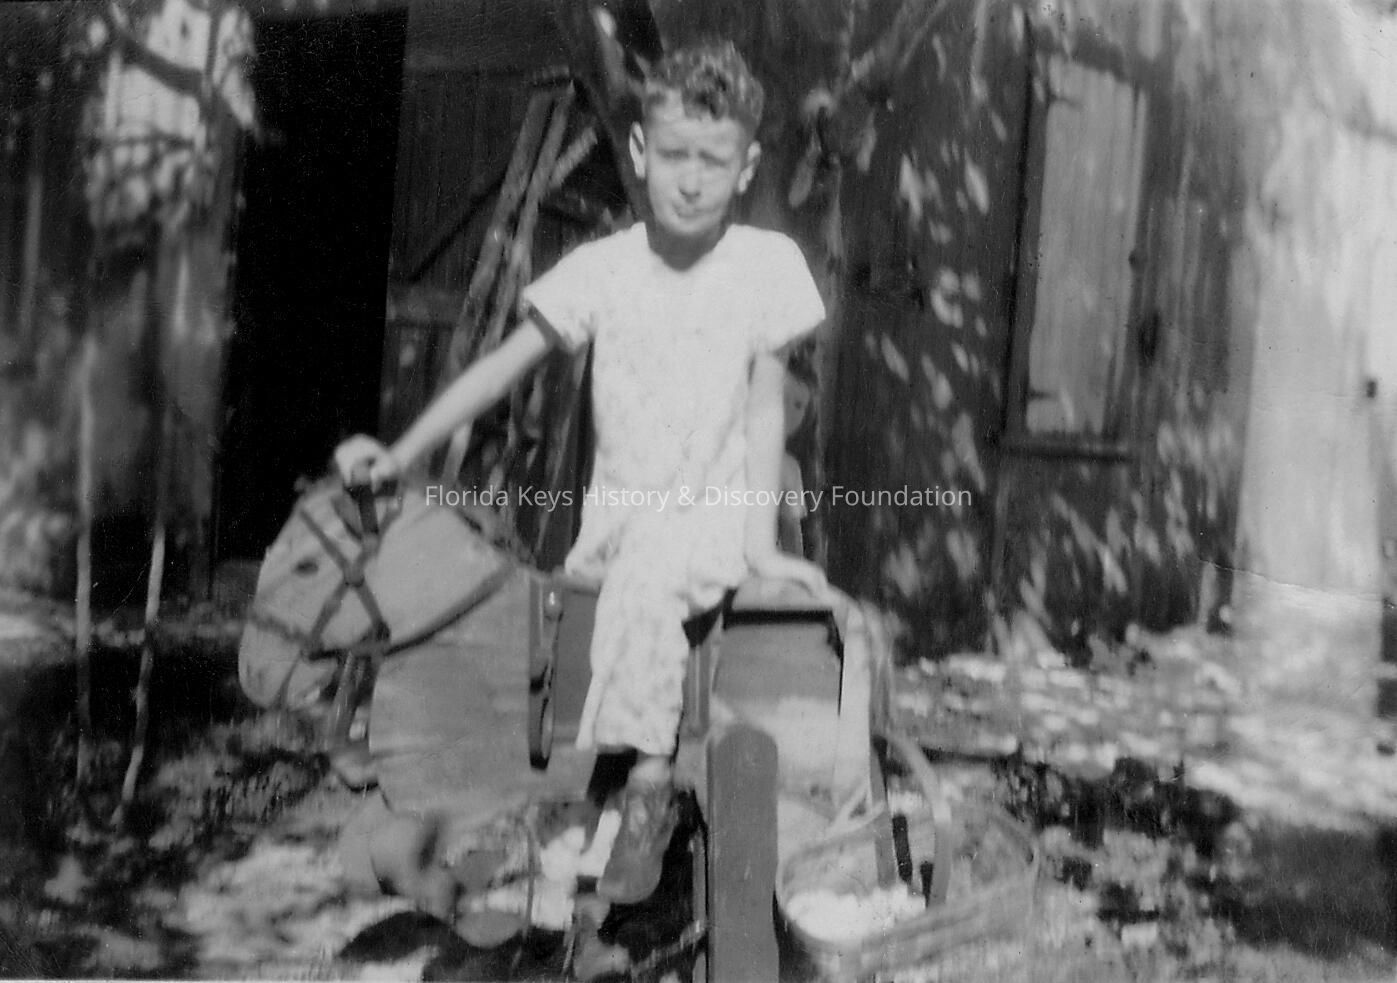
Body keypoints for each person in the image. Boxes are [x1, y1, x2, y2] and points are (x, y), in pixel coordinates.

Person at [335, 40, 828, 907]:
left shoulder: (763, 267)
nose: (690, 180)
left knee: (655, 568)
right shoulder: (606, 269)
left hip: (711, 520)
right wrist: (403, 452)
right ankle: (528, 813)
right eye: (673, 154)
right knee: (557, 609)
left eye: (713, 161)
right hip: (617, 526)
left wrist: (760, 544)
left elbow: (762, 409)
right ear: (638, 150)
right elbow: (502, 366)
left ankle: (647, 788)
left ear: (747, 167)